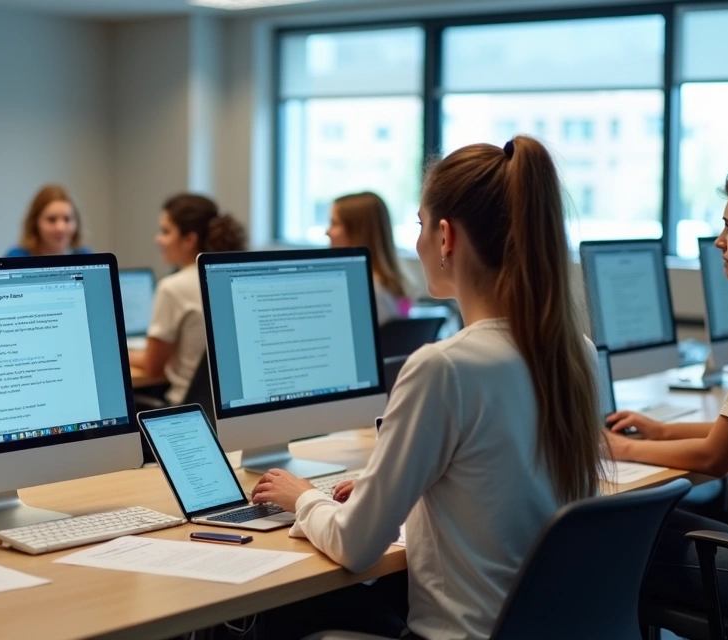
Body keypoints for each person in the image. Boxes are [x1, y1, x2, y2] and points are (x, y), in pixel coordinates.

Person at [250, 136, 603, 640]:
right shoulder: (577, 353)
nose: (415, 242)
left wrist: (303, 497)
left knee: (279, 619)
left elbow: (356, 546)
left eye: (418, 225)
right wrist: (396, 490)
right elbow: (500, 491)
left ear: (445, 237)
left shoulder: (444, 367)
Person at [607, 162, 728, 630]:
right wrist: (663, 429)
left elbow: (717, 457)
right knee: (647, 525)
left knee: (614, 551)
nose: (719, 242)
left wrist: (623, 447)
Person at [128, 194, 245, 405]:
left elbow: (152, 365)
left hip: (184, 411)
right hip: (227, 408)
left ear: (189, 239)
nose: (158, 239)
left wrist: (119, 353)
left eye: (165, 231)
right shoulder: (230, 278)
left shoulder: (173, 288)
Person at [327, 191, 410, 322]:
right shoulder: (396, 286)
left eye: (334, 223)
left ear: (357, 231)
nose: (327, 232)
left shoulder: (362, 289)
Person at [5, 185, 91, 257]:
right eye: (51, 219)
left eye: (67, 219)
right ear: (35, 222)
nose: (60, 228)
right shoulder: (15, 258)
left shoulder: (85, 256)